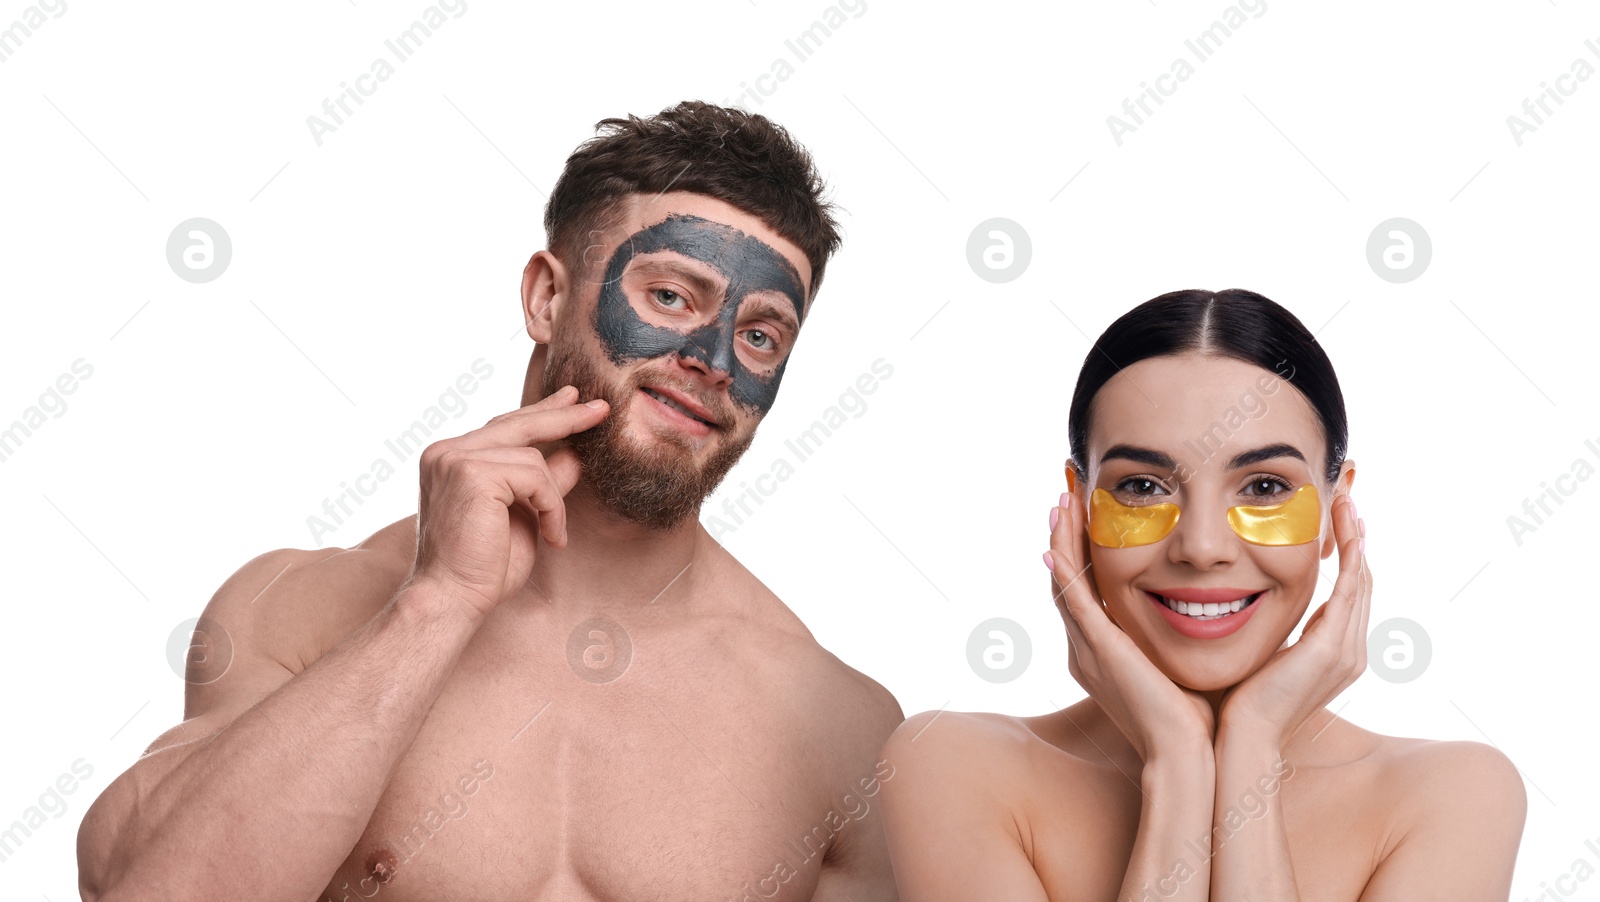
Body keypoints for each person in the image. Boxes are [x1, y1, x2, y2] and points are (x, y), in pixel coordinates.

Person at [77, 101, 904, 902]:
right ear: (547, 297)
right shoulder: (296, 615)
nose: (713, 359)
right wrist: (437, 604)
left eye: (760, 336)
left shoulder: (834, 724)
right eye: (670, 297)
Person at [878, 289, 1526, 900]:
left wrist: (1252, 745)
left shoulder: (1457, 795)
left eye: (1265, 488)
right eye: (1143, 488)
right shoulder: (949, 767)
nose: (1202, 547)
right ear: (1077, 509)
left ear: (1338, 511)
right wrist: (1179, 765)